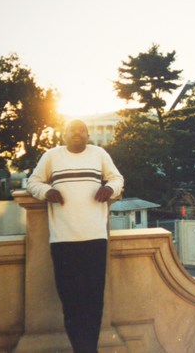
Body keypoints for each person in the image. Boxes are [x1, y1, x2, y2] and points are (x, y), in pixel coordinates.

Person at [27, 119, 124, 353]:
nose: (77, 133)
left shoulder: (99, 153)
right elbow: (33, 182)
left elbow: (117, 178)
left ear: (88, 135)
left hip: (95, 239)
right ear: (64, 135)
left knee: (93, 301)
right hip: (63, 240)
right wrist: (47, 191)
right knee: (71, 302)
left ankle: (89, 348)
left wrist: (110, 189)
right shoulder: (51, 156)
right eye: (73, 130)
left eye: (82, 130)